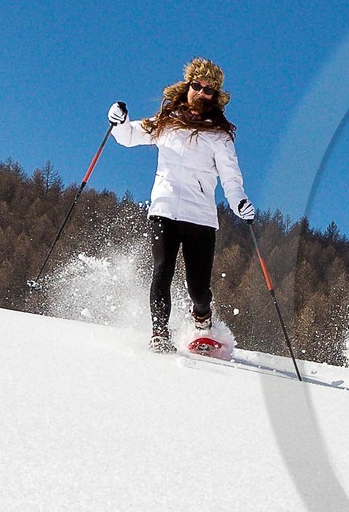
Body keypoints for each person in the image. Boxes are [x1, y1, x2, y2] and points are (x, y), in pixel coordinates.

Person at [107, 58, 255, 353]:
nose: (202, 93)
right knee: (162, 269)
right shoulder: (166, 122)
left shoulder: (220, 136)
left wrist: (238, 200)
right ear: (188, 86)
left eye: (209, 90)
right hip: (164, 209)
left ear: (216, 98)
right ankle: (159, 332)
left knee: (198, 289)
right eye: (198, 86)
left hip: (200, 216)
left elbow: (230, 175)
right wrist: (119, 122)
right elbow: (129, 136)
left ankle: (202, 319)